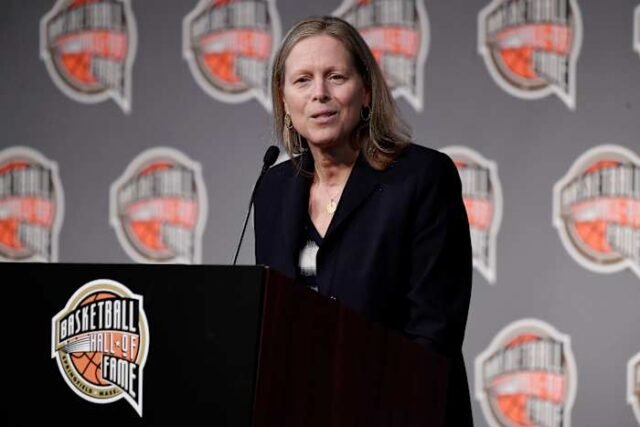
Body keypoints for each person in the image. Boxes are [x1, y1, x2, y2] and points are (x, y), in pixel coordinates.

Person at [254, 16, 473, 426]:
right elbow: (273, 325)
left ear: (366, 90)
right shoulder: (274, 188)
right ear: (284, 100)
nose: (319, 93)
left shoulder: (421, 177)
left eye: (336, 76)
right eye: (302, 80)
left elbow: (433, 332)